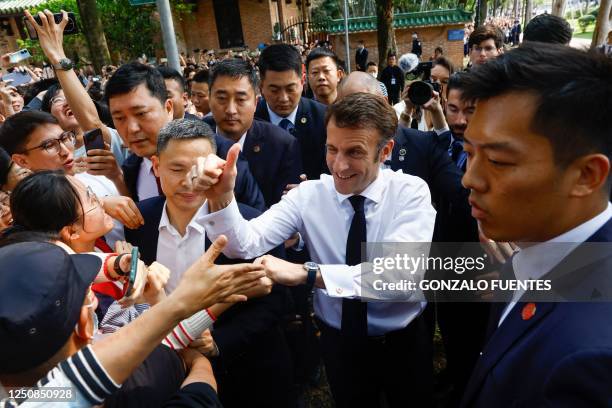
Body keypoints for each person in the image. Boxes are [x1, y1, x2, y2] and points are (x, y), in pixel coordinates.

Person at [193, 93, 436, 407]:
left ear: (385, 151)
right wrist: (223, 197)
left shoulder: (410, 193)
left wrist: (307, 274)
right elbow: (246, 243)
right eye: (332, 149)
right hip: (339, 340)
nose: (339, 164)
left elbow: (399, 276)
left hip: (402, 339)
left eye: (355, 152)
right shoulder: (308, 195)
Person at [459, 43, 612, 407]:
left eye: (497, 160)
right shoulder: (530, 253)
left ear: (586, 175)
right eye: (468, 153)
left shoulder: (589, 357)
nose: (470, 179)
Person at [125, 118, 294, 408]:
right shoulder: (139, 221)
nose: (190, 181)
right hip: (170, 369)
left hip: (248, 366)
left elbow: (278, 300)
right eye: (176, 169)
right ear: (156, 166)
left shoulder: (251, 222)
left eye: (199, 169)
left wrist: (219, 343)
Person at [0, 235, 267, 407]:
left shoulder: (24, 399)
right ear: (86, 325)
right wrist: (199, 362)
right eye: (88, 293)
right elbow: (199, 393)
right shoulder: (143, 385)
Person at [104, 62, 265, 211]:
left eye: (141, 113)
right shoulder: (130, 169)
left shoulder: (223, 156)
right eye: (119, 118)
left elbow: (256, 226)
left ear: (168, 108)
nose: (131, 128)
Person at [204, 59, 303, 207]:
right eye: (222, 99)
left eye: (241, 99)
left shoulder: (281, 145)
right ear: (210, 99)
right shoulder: (195, 138)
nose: (231, 110)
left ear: (256, 103)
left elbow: (285, 211)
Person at [255, 44, 328, 181]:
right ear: (261, 87)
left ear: (302, 82)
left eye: (290, 89)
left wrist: (311, 188)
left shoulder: (324, 118)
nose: (283, 98)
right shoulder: (251, 121)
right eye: (274, 90)